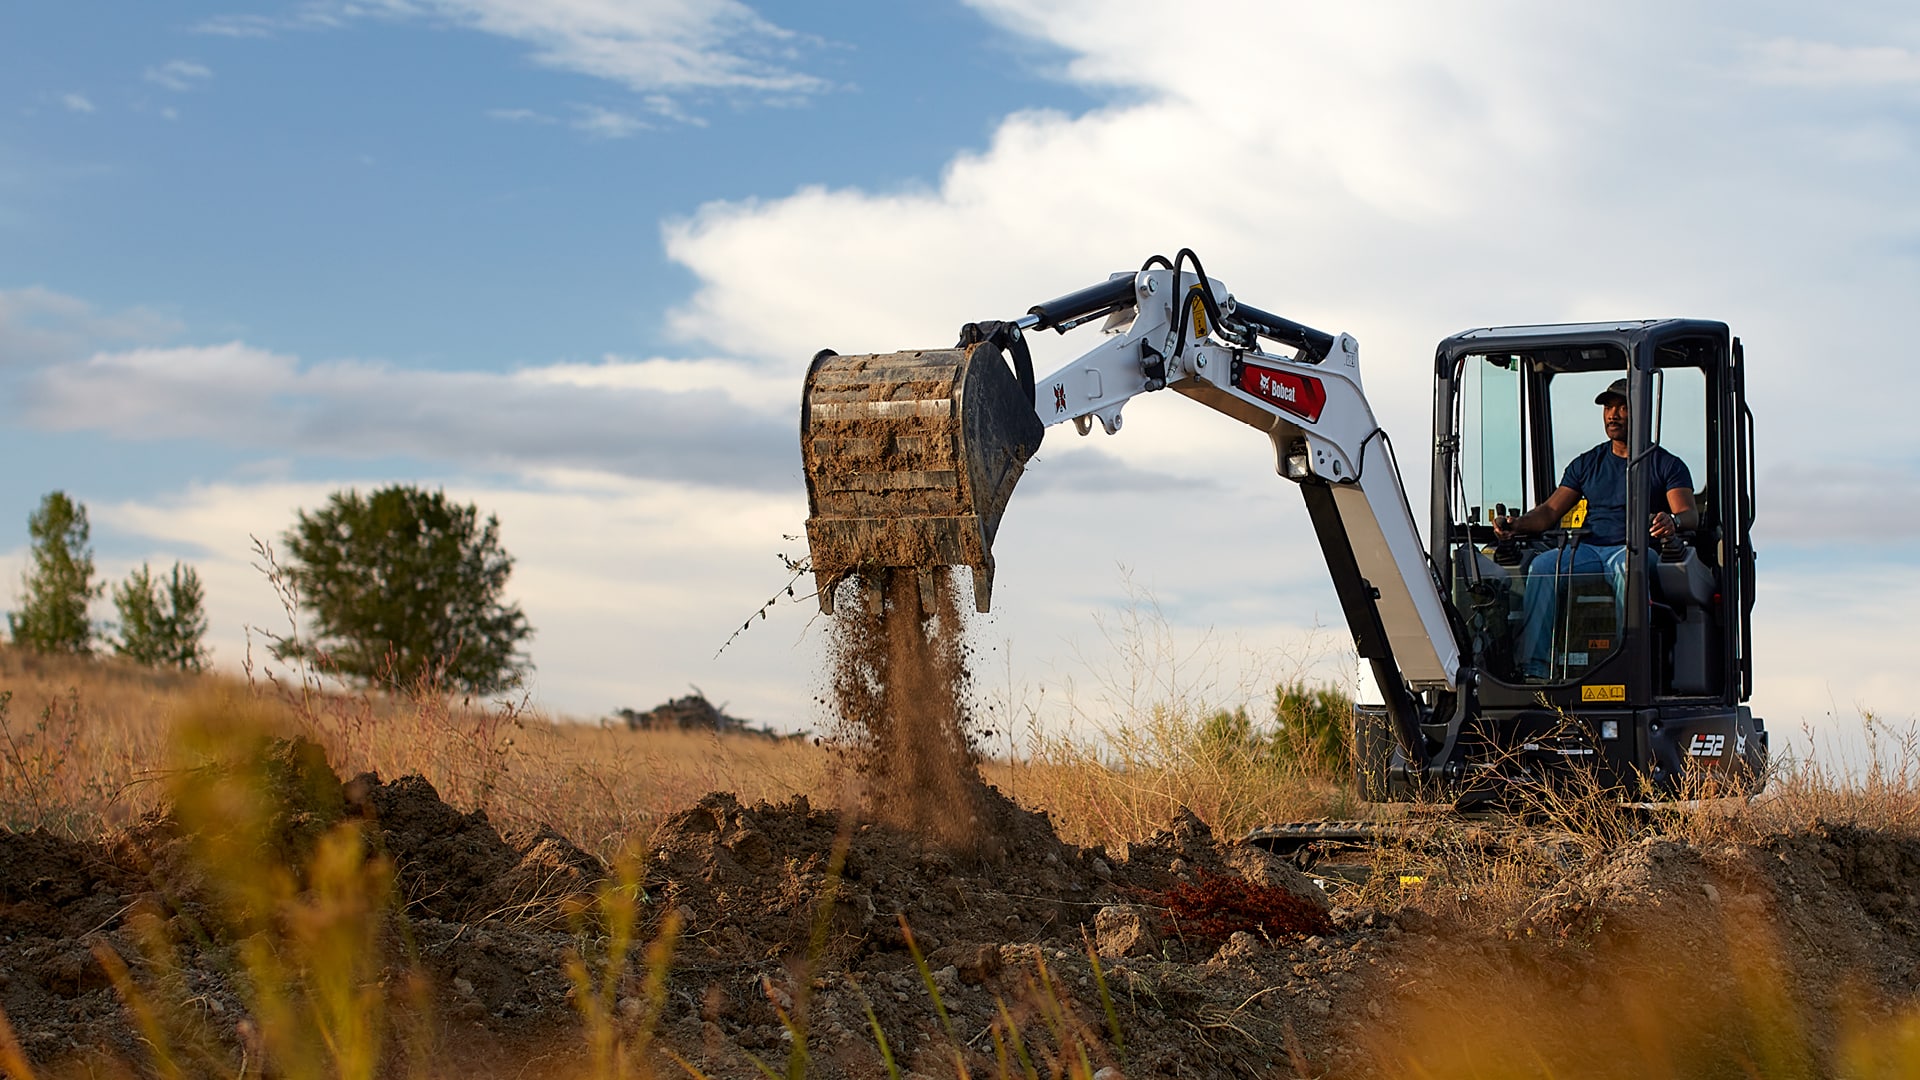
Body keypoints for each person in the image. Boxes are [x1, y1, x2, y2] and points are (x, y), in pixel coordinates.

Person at [1492, 377, 1699, 679]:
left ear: (1640, 413)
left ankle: (1629, 665)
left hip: (1636, 551)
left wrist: (1673, 522)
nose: (1612, 415)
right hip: (1589, 549)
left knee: (1629, 569)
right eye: (1608, 407)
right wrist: (1516, 524)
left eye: (1622, 407)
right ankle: (1534, 668)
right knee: (1543, 566)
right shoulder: (1588, 463)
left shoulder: (1666, 464)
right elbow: (1550, 511)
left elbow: (1688, 514)